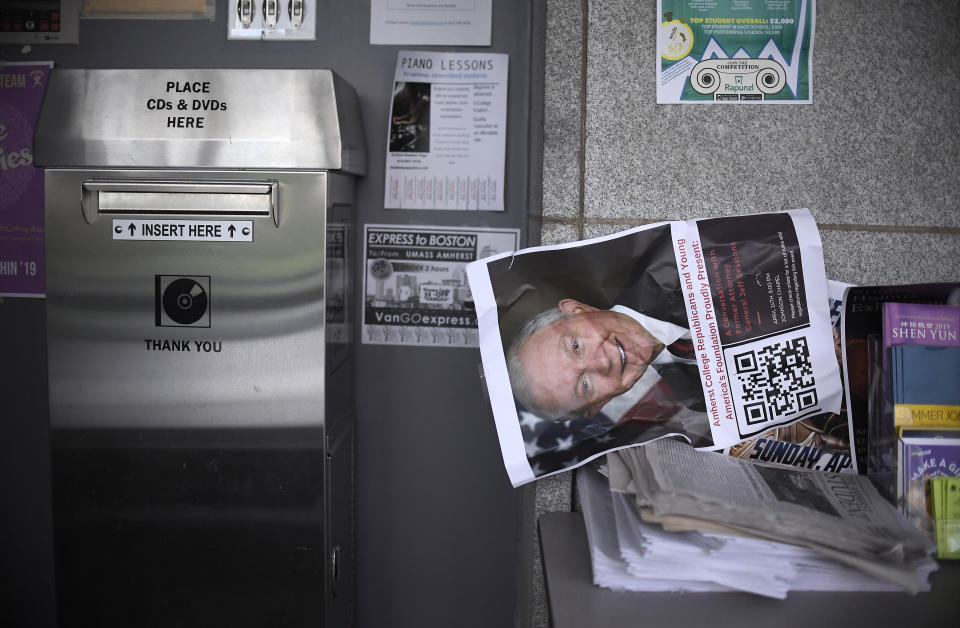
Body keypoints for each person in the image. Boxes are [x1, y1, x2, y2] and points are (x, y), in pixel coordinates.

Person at [507, 297, 710, 443]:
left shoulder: (676, 261)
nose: (603, 362)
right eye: (585, 385)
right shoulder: (694, 411)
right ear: (599, 404)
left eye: (576, 346)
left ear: (578, 310)